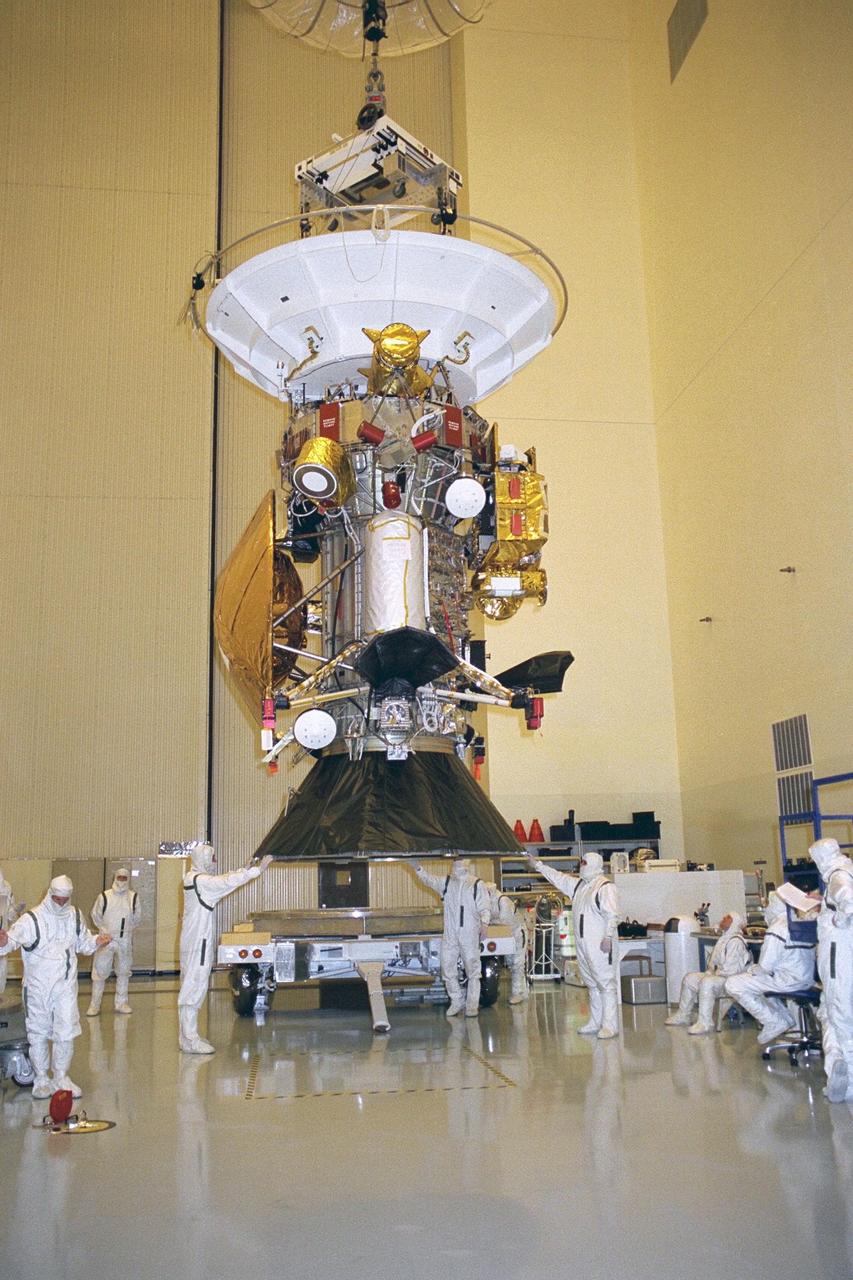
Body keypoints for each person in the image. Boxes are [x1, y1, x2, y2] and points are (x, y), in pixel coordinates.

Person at [0, 875, 110, 1098]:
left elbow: (84, 943)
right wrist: (3, 942)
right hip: (37, 988)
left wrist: (97, 941)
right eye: (57, 899)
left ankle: (60, 1076)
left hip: (65, 987)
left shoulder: (74, 916)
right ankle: (41, 1078)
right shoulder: (32, 919)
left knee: (66, 1032)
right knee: (38, 1032)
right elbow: (11, 941)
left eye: (64, 900)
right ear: (50, 894)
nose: (60, 903)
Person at [178, 843, 272, 1054]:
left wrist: (243, 869)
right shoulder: (199, 881)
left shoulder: (194, 878)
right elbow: (224, 883)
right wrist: (255, 871)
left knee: (190, 985)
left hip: (193, 939)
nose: (215, 862)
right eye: (212, 858)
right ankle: (190, 1039)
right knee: (194, 986)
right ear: (202, 859)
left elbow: (221, 882)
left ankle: (186, 1037)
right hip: (197, 942)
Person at [525, 850, 620, 1039]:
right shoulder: (579, 886)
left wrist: (608, 937)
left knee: (605, 983)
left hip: (600, 944)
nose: (581, 867)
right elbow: (558, 878)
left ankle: (610, 1025)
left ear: (593, 865)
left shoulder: (605, 887)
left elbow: (612, 914)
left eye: (584, 863)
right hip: (584, 945)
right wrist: (538, 865)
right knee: (592, 983)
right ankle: (596, 1021)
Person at [724, 891, 816, 1044]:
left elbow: (765, 967)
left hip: (787, 982)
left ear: (774, 905)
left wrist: (751, 969)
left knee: (734, 984)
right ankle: (786, 1021)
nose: (766, 908)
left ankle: (774, 1021)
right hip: (807, 980)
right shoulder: (800, 924)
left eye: (768, 904)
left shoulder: (777, 928)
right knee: (759, 986)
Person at [414, 857, 491, 1017]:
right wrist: (417, 868)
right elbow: (429, 880)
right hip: (450, 933)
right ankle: (457, 1000)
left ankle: (472, 1005)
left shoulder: (476, 884)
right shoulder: (447, 883)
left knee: (473, 969)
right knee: (447, 966)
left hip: (469, 933)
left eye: (460, 859)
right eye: (455, 859)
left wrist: (484, 924)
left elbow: (484, 907)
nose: (457, 862)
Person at [809, 837, 853, 1103]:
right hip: (842, 953)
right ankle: (836, 1062)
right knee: (828, 1009)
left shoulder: (838, 875)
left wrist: (839, 917)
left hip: (838, 954)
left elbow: (847, 898)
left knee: (839, 1012)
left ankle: (848, 1080)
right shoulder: (845, 869)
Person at [665, 912, 750, 1034]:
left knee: (707, 982)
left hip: (731, 979)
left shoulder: (735, 941)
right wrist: (711, 972)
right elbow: (713, 964)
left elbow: (731, 970)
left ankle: (705, 1023)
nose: (723, 919)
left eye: (727, 918)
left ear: (733, 923)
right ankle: (684, 1015)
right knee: (689, 978)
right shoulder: (724, 938)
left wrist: (713, 973)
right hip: (719, 976)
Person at [87, 868, 142, 1016]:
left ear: (128, 879)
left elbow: (137, 918)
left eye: (125, 878)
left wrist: (125, 932)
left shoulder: (133, 897)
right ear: (115, 878)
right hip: (106, 940)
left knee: (123, 972)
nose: (122, 881)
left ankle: (121, 1003)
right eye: (120, 877)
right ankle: (94, 1005)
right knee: (99, 972)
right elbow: (96, 916)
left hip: (124, 941)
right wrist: (105, 931)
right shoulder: (104, 896)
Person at [484, 882, 529, 1005]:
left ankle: (517, 993)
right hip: (507, 935)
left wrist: (488, 922)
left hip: (518, 933)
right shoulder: (487, 903)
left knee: (517, 963)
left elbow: (504, 921)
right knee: (511, 963)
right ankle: (523, 991)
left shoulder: (503, 901)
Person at [0, 866, 24, 995]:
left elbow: (8, 915)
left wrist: (15, 910)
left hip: (2, 937)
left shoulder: (6, 888)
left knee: (1, 970)